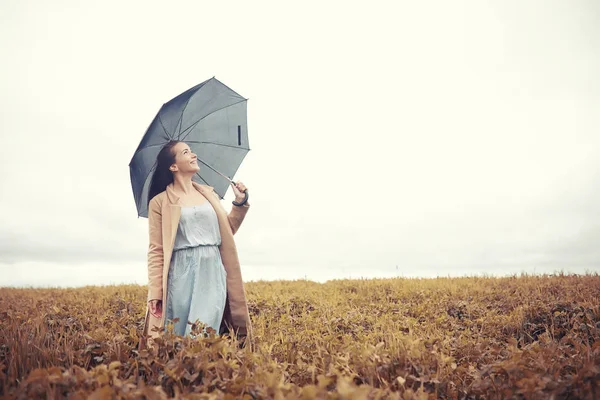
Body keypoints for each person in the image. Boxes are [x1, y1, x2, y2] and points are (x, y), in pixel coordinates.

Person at [141, 140, 253, 349]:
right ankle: (181, 378)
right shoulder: (159, 202)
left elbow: (226, 232)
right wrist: (155, 292)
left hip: (212, 272)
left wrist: (238, 204)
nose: (193, 155)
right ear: (173, 166)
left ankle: (205, 375)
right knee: (178, 334)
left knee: (204, 333)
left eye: (191, 151)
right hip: (180, 274)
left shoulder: (208, 194)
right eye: (186, 152)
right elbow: (156, 250)